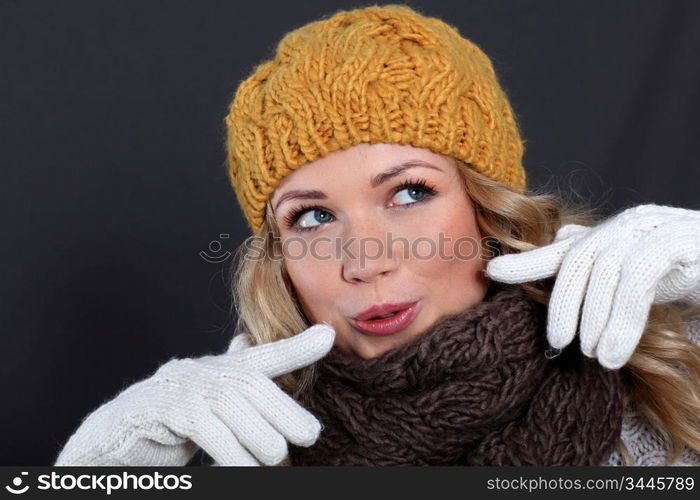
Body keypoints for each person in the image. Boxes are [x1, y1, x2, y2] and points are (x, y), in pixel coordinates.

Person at [54, 4, 700, 467]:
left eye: (410, 193)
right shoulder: (245, 443)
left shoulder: (674, 376)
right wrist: (111, 457)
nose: (364, 261)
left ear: (487, 206)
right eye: (312, 216)